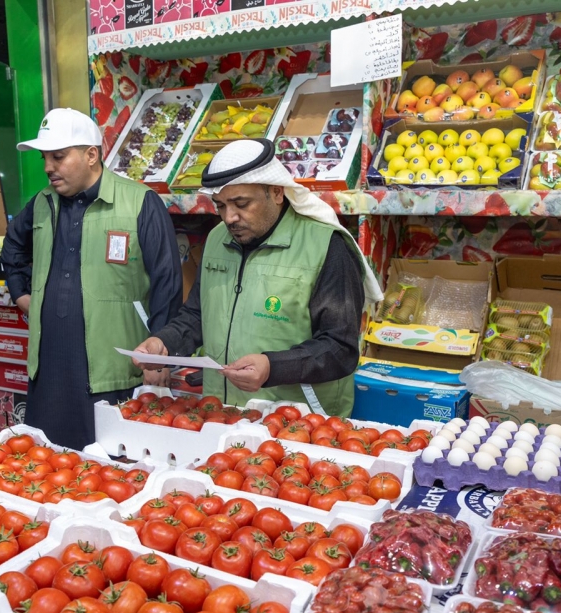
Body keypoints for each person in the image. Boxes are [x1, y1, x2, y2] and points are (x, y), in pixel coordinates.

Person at [134, 138, 383, 417]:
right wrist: (164, 343)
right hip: (223, 413)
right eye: (220, 206)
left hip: (299, 422)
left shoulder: (326, 246)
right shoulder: (216, 240)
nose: (229, 218)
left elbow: (340, 348)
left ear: (276, 192)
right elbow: (197, 315)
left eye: (241, 203)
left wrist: (272, 367)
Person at [1, 108, 182, 449]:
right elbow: (12, 247)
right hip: (50, 366)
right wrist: (21, 294)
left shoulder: (140, 203)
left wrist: (161, 354)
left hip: (112, 367)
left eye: (58, 157)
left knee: (111, 466)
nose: (48, 168)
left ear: (91, 155)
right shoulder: (42, 204)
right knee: (50, 462)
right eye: (44, 158)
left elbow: (167, 283)